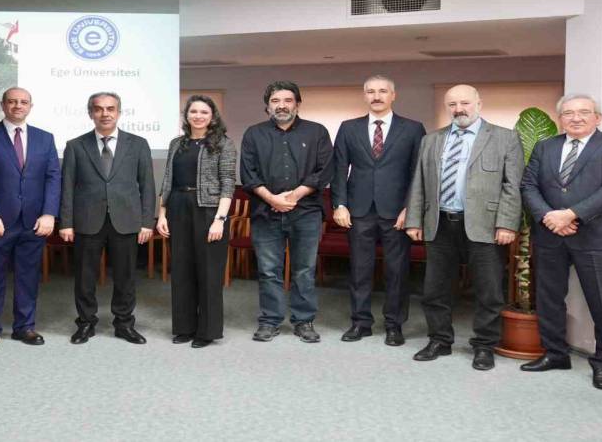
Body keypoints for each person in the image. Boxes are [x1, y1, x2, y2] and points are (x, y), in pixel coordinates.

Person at [519, 93, 602, 390]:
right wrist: (548, 217)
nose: (576, 117)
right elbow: (528, 185)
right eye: (568, 113)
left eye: (584, 112)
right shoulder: (545, 147)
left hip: (598, 237)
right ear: (560, 118)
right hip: (550, 235)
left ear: (598, 117)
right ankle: (555, 353)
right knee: (549, 297)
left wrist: (570, 215)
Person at [405, 84, 523, 371]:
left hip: (485, 225)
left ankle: (484, 346)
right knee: (435, 289)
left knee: (489, 290)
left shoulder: (505, 138)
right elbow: (419, 182)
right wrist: (414, 220)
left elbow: (512, 185)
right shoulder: (432, 140)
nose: (459, 109)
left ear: (479, 104)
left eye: (465, 103)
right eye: (452, 104)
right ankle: (439, 340)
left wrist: (506, 223)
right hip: (440, 223)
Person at [332, 75, 425, 346]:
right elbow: (339, 169)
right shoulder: (348, 128)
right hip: (358, 210)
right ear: (364, 96)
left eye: (383, 91)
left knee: (397, 272)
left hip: (397, 212)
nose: (377, 96)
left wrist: (411, 209)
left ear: (393, 95)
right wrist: (340, 204)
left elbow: (418, 173)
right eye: (371, 91)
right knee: (359, 270)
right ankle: (360, 323)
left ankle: (394, 325)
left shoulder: (413, 128)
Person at [60, 92, 156, 345]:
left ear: (119, 112)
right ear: (90, 113)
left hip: (126, 220)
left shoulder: (138, 144)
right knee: (84, 277)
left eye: (110, 108)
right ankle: (85, 323)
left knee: (126, 277)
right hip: (87, 220)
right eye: (99, 109)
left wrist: (147, 222)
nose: (105, 113)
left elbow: (147, 185)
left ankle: (124, 324)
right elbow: (67, 186)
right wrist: (66, 222)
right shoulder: (75, 145)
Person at [240, 81, 333, 343]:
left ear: (297, 104)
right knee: (269, 270)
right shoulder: (253, 134)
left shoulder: (317, 132)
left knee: (304, 270)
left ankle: (304, 321)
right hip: (265, 212)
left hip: (306, 212)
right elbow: (248, 174)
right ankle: (270, 320)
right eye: (275, 101)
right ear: (267, 106)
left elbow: (325, 169)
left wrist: (293, 196)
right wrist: (272, 199)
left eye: (287, 100)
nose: (281, 105)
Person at [0, 87, 61, 351]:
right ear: (3, 105)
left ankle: (25, 326)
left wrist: (49, 213)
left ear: (30, 106)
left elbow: (53, 177)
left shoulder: (45, 138)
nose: (17, 106)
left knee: (28, 276)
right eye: (12, 102)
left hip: (34, 220)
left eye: (23, 102)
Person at [156, 95, 237, 348]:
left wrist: (220, 219)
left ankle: (207, 331)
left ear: (212, 117)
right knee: (181, 270)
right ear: (187, 115)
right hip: (178, 206)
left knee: (209, 272)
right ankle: (184, 328)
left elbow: (228, 183)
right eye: (193, 111)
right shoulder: (176, 143)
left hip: (209, 211)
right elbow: (167, 180)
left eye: (204, 112)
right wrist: (162, 214)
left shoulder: (223, 143)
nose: (198, 116)